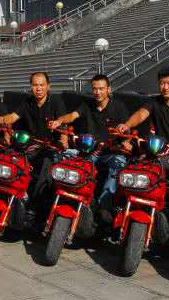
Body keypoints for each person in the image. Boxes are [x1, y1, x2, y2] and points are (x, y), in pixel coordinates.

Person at [0, 72, 68, 220]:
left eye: (41, 85)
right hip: (30, 146)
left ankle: (34, 206)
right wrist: (0, 118)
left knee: (46, 167)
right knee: (8, 160)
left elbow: (63, 122)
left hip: (50, 147)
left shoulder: (56, 101)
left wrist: (63, 140)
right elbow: (12, 117)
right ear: (31, 87)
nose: (38, 88)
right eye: (35, 85)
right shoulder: (27, 102)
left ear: (48, 86)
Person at [48, 74, 129, 208]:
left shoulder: (119, 106)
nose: (98, 92)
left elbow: (126, 130)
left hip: (109, 153)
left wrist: (125, 140)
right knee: (63, 157)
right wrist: (60, 120)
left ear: (109, 89)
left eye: (101, 88)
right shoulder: (86, 105)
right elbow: (73, 115)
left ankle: (105, 203)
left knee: (119, 162)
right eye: (95, 89)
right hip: (88, 152)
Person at [115, 66, 169, 177]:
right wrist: (127, 125)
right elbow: (141, 114)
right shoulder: (154, 102)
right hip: (162, 155)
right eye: (162, 83)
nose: (165, 87)